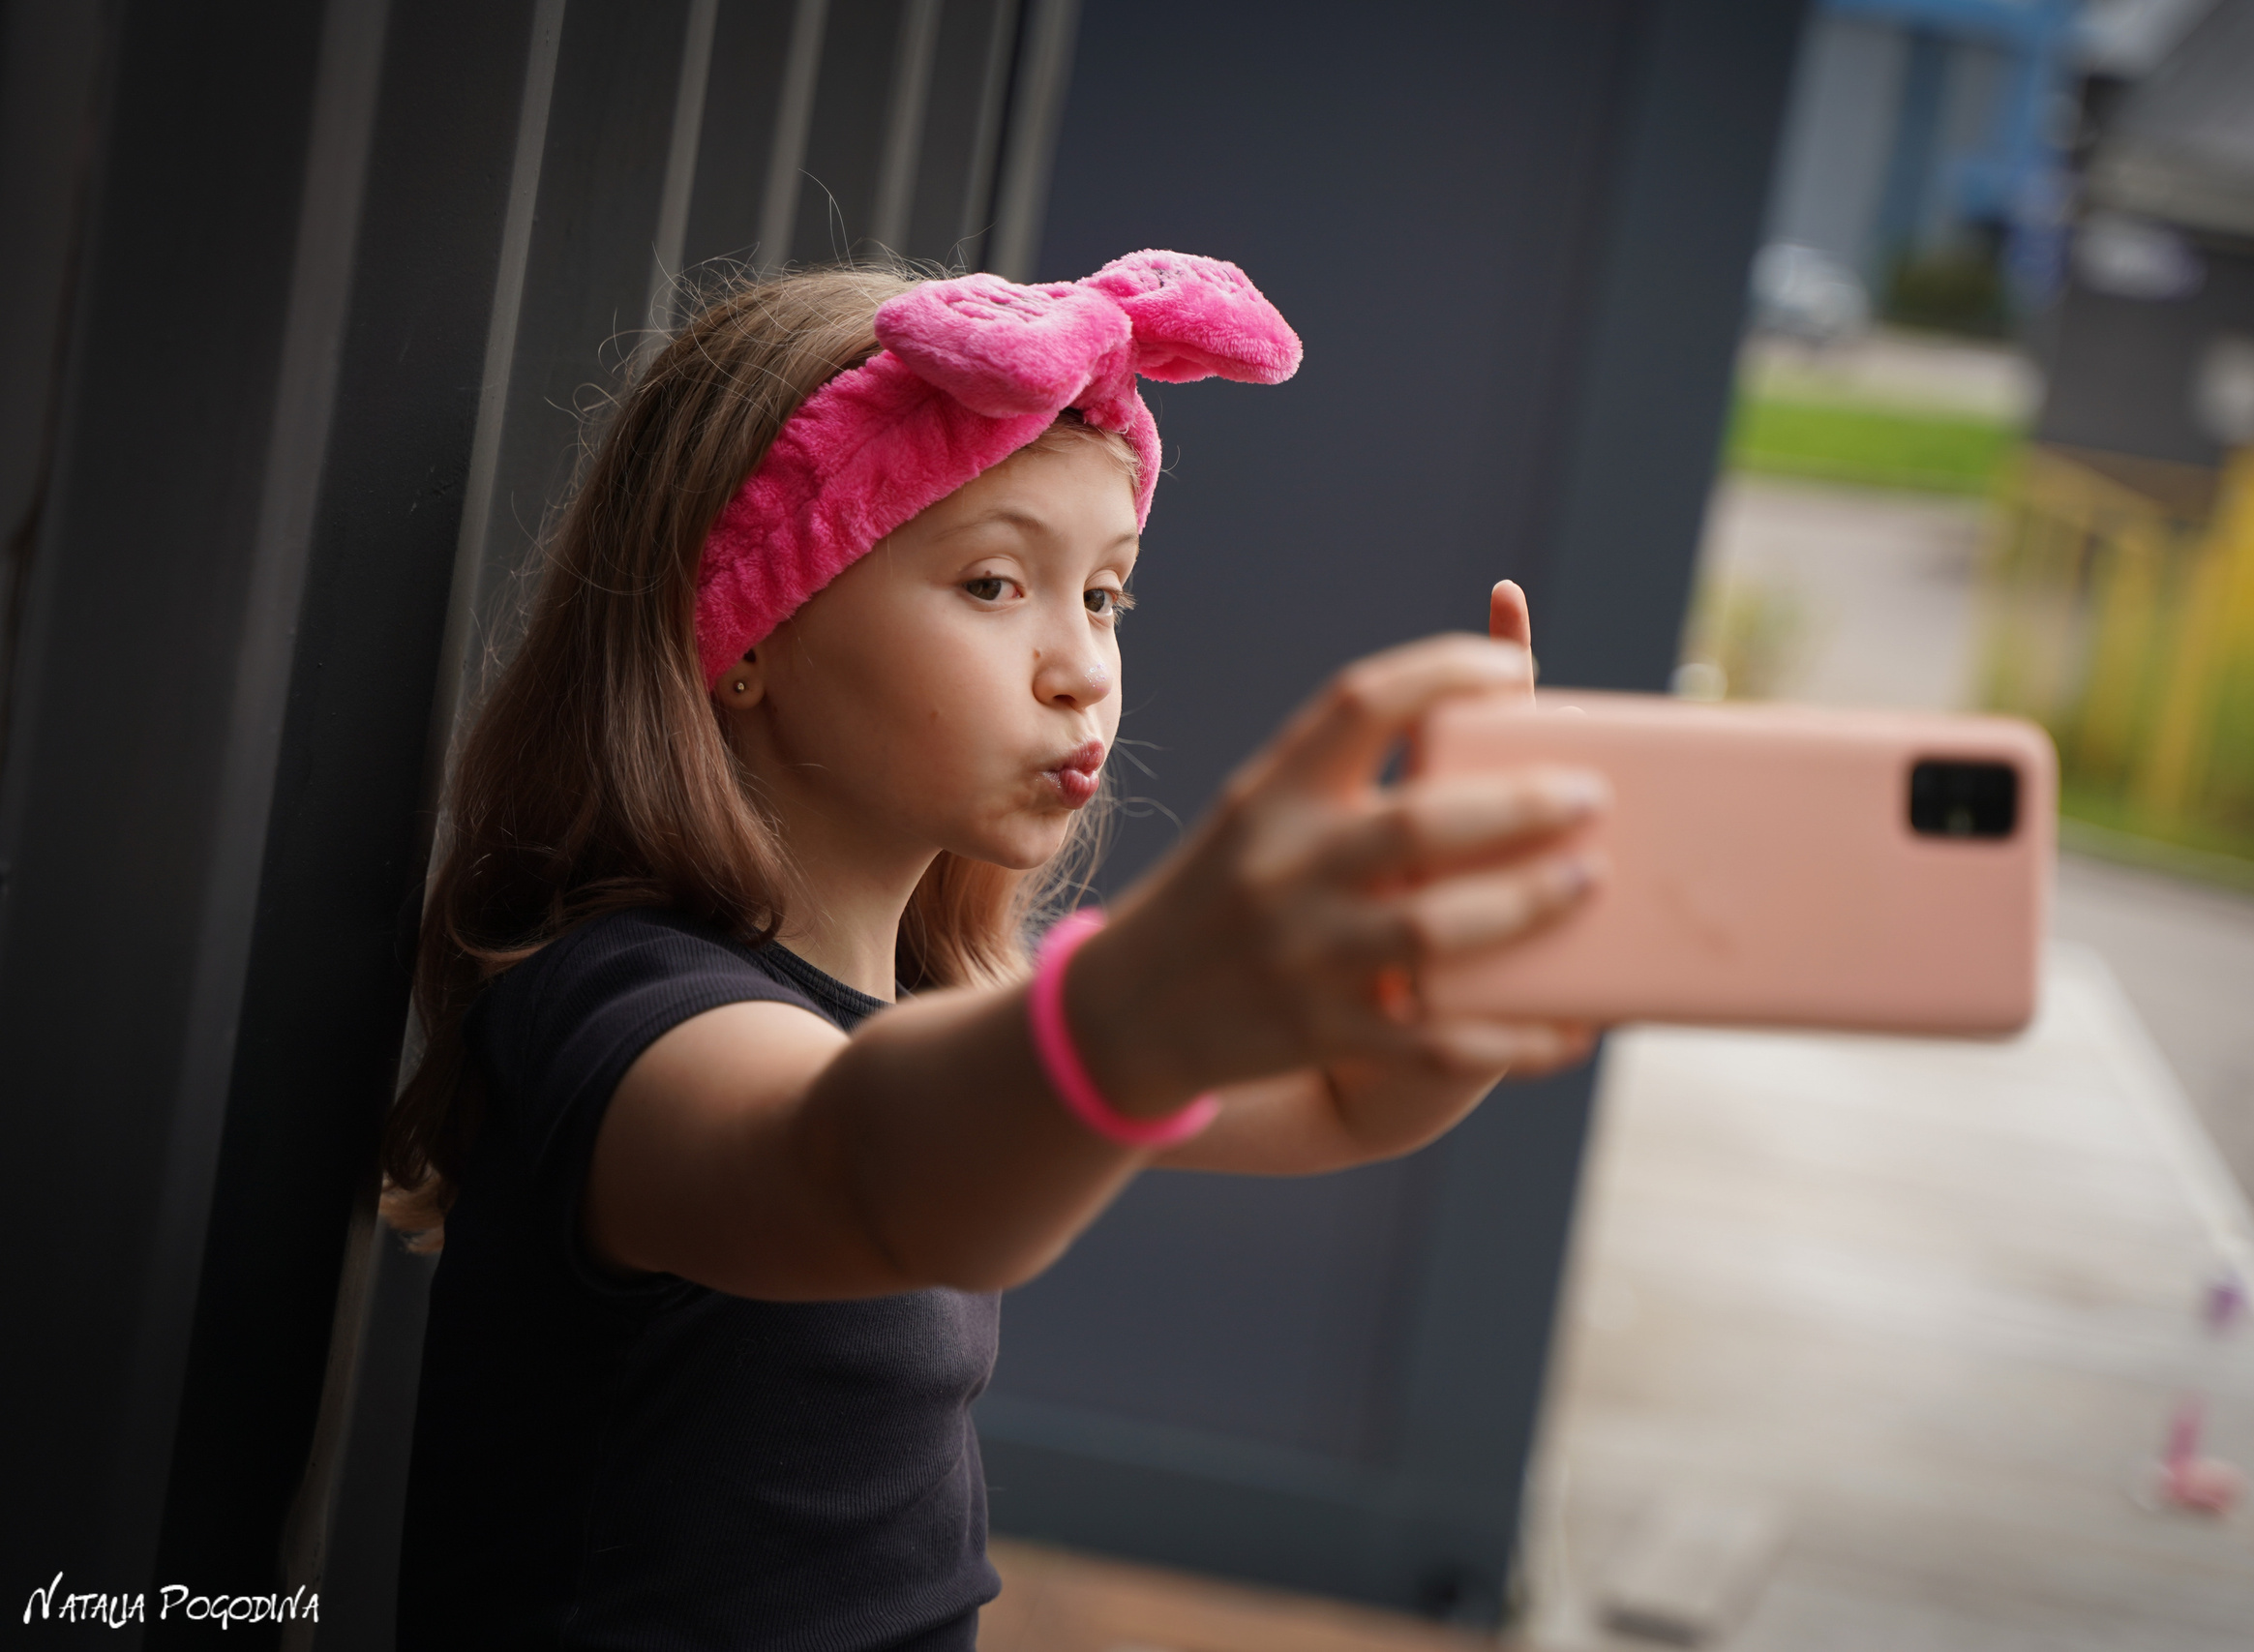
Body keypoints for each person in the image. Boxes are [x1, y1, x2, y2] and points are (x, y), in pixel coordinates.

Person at [386, 252, 1607, 1651]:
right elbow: (858, 1173)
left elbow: (1342, 1100)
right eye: (992, 583)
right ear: (746, 629)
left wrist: (1487, 952)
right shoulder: (626, 1018)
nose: (1082, 666)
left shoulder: (948, 1004)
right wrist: (1141, 1007)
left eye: (1105, 595)